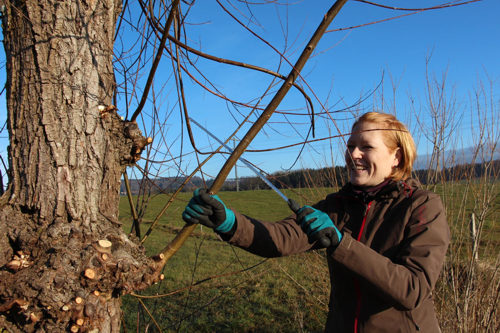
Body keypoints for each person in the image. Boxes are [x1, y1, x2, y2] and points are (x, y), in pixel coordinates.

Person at [182, 112, 450, 332]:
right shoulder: (338, 205)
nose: (353, 154)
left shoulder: (422, 206)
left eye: (366, 147)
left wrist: (342, 244)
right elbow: (281, 237)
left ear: (396, 158)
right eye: (350, 146)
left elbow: (412, 290)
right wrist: (228, 222)